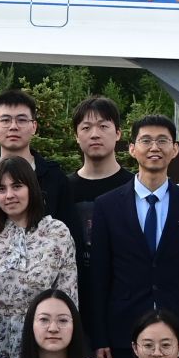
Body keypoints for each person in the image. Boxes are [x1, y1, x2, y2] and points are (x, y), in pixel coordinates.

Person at [86, 115, 179, 358]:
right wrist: (100, 338)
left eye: (162, 141)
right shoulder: (107, 205)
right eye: (146, 140)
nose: (154, 147)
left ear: (175, 149)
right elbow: (99, 276)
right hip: (122, 333)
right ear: (132, 148)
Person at [0, 156, 78, 358]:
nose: (9, 195)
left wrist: (67, 348)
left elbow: (68, 296)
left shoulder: (56, 232)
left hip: (43, 347)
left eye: (17, 186)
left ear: (32, 188)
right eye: (1, 189)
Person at [0, 91, 70, 227]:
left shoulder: (55, 178)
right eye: (5, 120)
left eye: (21, 120)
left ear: (34, 126)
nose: (13, 127)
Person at [65, 96, 129, 266]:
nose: (95, 134)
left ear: (118, 133)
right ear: (76, 136)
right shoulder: (64, 188)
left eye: (103, 126)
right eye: (86, 128)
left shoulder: (134, 187)